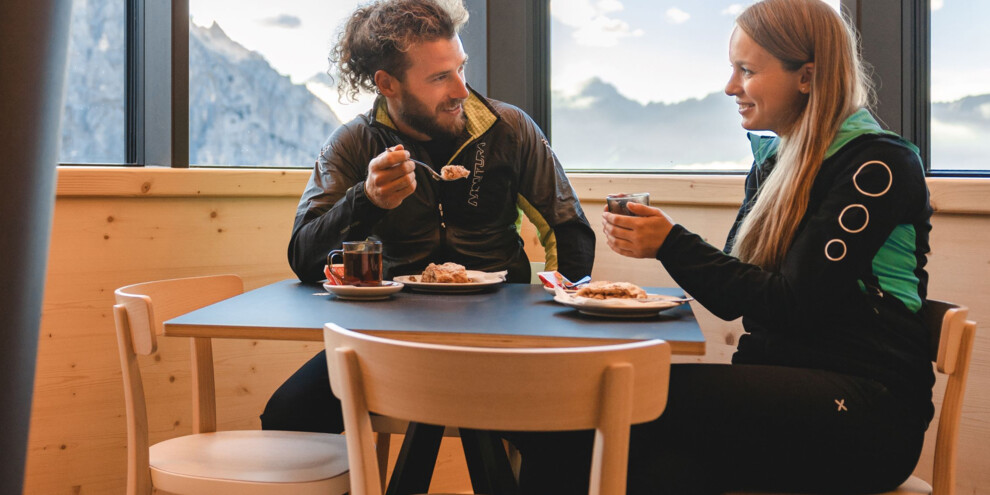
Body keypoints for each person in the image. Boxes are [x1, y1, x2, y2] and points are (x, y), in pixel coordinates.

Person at [506, 1, 935, 493]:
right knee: (652, 471)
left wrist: (672, 243)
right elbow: (736, 297)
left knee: (593, 403)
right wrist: (667, 245)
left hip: (869, 411)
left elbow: (793, 303)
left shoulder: (876, 165)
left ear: (807, 77)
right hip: (782, 392)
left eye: (746, 70)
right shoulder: (776, 164)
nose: (731, 86)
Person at [262, 0, 595, 433]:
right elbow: (305, 258)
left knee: (564, 430)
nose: (460, 89)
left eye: (462, 68)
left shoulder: (510, 130)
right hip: (383, 342)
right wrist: (365, 200)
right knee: (288, 415)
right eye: (440, 77)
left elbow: (569, 232)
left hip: (501, 338)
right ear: (388, 83)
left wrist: (551, 329)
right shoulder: (353, 143)